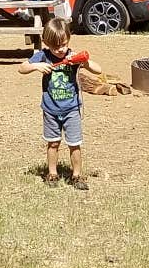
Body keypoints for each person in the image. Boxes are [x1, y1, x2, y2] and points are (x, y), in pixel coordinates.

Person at [19, 18, 105, 189]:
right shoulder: (42, 55)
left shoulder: (72, 56)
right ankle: (52, 174)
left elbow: (98, 70)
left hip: (71, 109)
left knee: (74, 144)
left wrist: (84, 62)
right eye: (55, 46)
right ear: (46, 43)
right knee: (53, 143)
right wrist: (37, 66)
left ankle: (77, 176)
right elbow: (21, 68)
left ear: (68, 39)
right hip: (50, 109)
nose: (60, 49)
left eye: (63, 44)